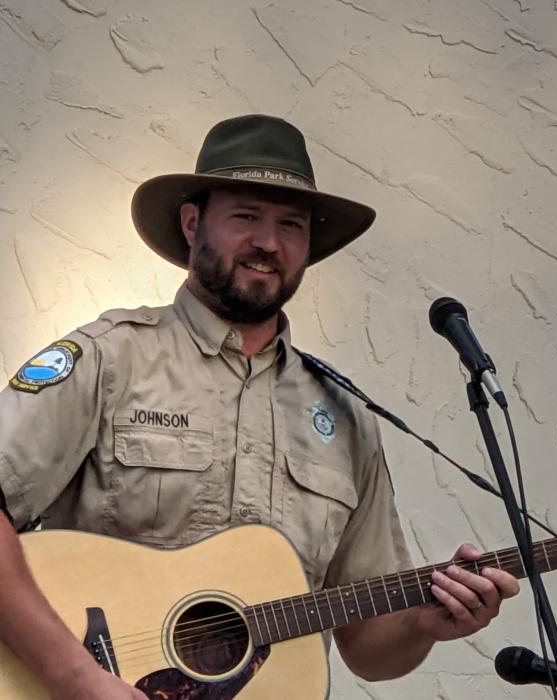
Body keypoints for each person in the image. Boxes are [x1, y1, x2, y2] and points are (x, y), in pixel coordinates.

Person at [0, 114, 519, 699]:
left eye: (291, 225)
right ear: (193, 223)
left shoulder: (344, 419)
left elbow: (369, 649)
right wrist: (74, 676)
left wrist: (427, 623)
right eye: (246, 216)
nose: (269, 243)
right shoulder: (110, 358)